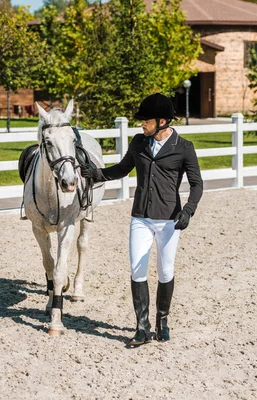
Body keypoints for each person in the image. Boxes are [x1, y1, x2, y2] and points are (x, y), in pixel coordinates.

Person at [80, 93, 203, 347]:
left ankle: (162, 322)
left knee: (165, 271)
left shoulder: (183, 147)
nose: (141, 125)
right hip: (141, 218)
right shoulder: (139, 143)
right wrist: (96, 174)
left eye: (145, 121)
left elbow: (197, 184)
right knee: (137, 270)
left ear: (161, 121)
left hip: (170, 219)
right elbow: (122, 169)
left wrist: (188, 210)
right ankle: (142, 328)